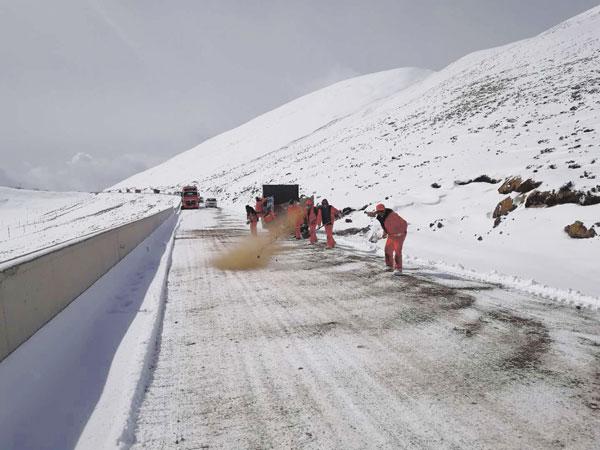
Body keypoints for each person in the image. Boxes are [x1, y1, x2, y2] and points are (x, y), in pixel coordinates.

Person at [374, 203, 407, 274]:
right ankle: (389, 266)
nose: (381, 213)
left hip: (399, 235)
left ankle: (398, 269)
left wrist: (400, 232)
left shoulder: (393, 215)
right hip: (391, 235)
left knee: (397, 251)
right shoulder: (380, 217)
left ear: (384, 210)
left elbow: (404, 223)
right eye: (379, 211)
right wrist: (385, 233)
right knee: (387, 250)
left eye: (382, 211)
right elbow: (385, 226)